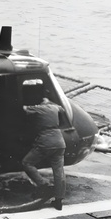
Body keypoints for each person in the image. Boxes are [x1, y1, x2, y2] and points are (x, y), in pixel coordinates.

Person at [20, 82, 67, 210]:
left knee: (27, 163)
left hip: (45, 140)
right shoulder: (55, 107)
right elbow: (63, 113)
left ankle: (44, 185)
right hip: (59, 140)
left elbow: (21, 109)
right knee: (59, 171)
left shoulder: (36, 108)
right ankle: (59, 200)